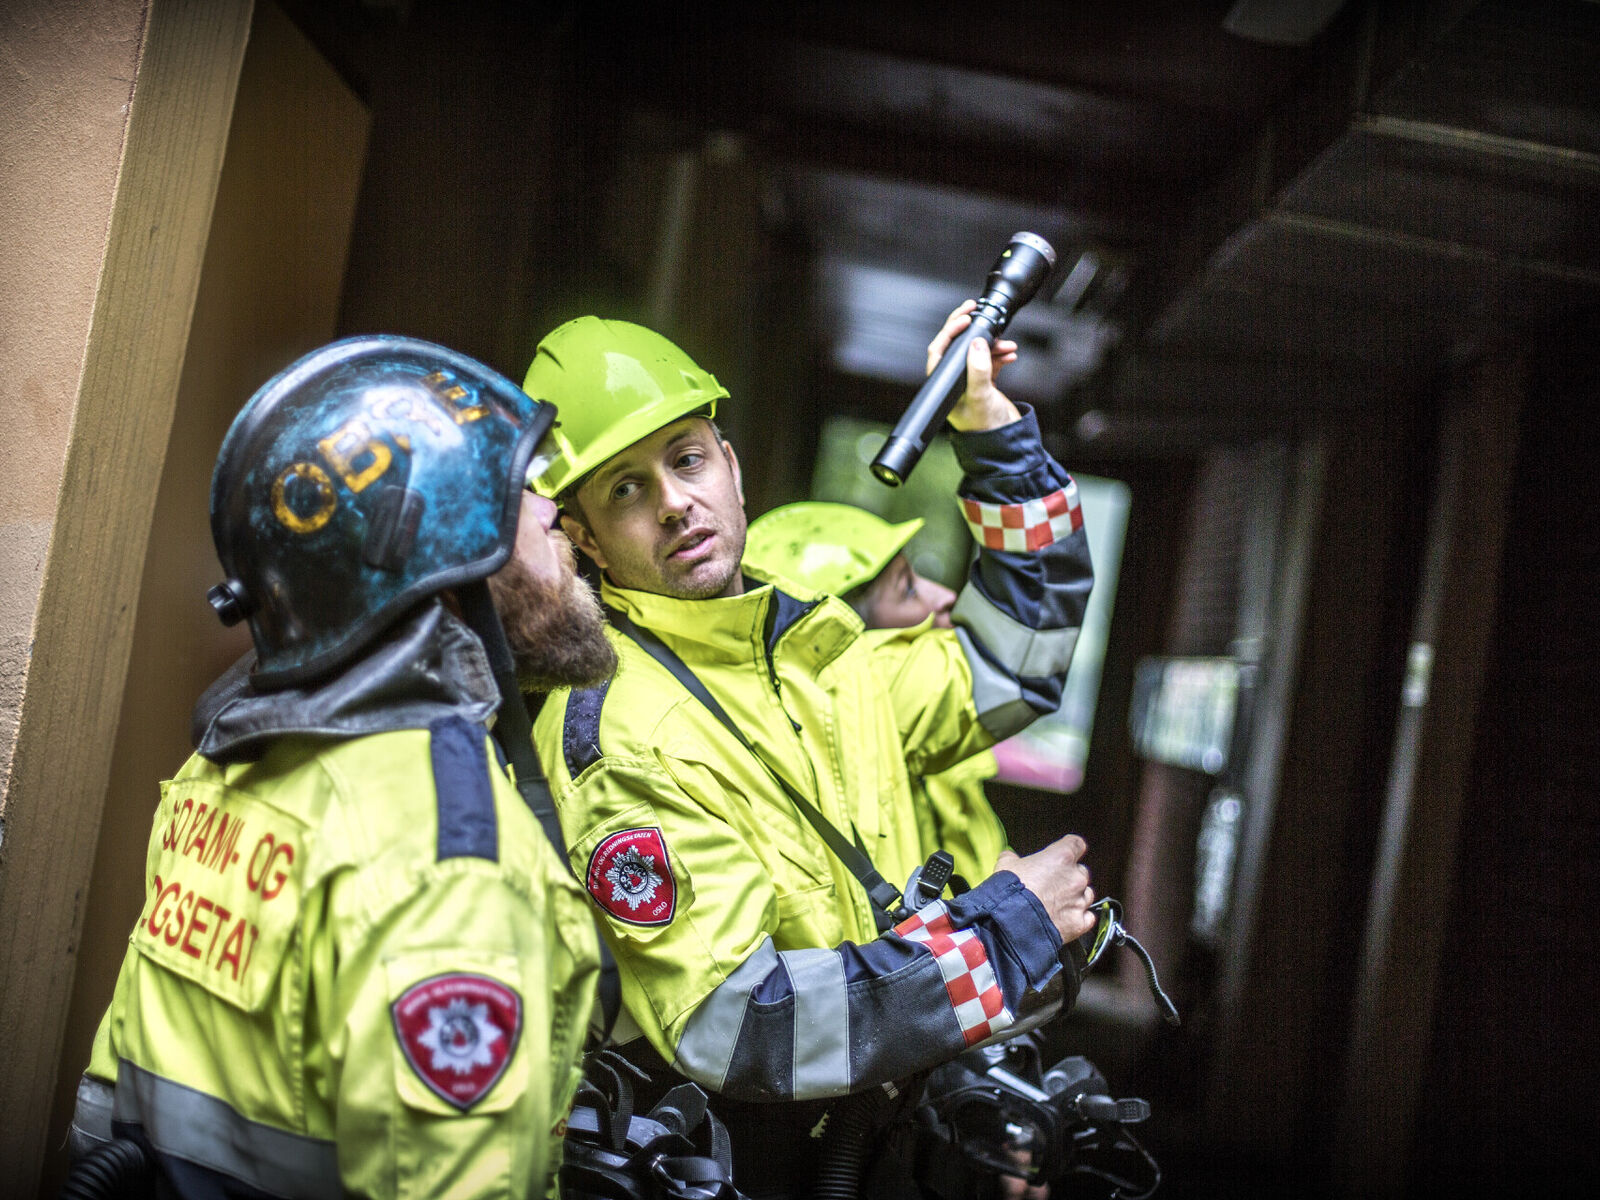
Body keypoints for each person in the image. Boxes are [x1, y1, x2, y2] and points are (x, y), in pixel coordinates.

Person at [523, 301, 1097, 1197]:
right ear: (585, 536)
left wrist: (989, 427)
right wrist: (1003, 936)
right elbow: (734, 1023)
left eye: (686, 460)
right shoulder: (617, 729)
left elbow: (1019, 659)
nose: (676, 504)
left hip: (870, 1147)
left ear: (732, 468)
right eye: (626, 489)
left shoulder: (812, 641)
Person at [67, 336, 618, 1198]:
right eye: (519, 491)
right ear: (435, 564)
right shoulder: (449, 865)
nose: (553, 511)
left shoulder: (228, 765)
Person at [743, 500, 1008, 887]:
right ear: (841, 642)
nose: (945, 596)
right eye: (907, 589)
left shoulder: (940, 744)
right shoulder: (893, 699)